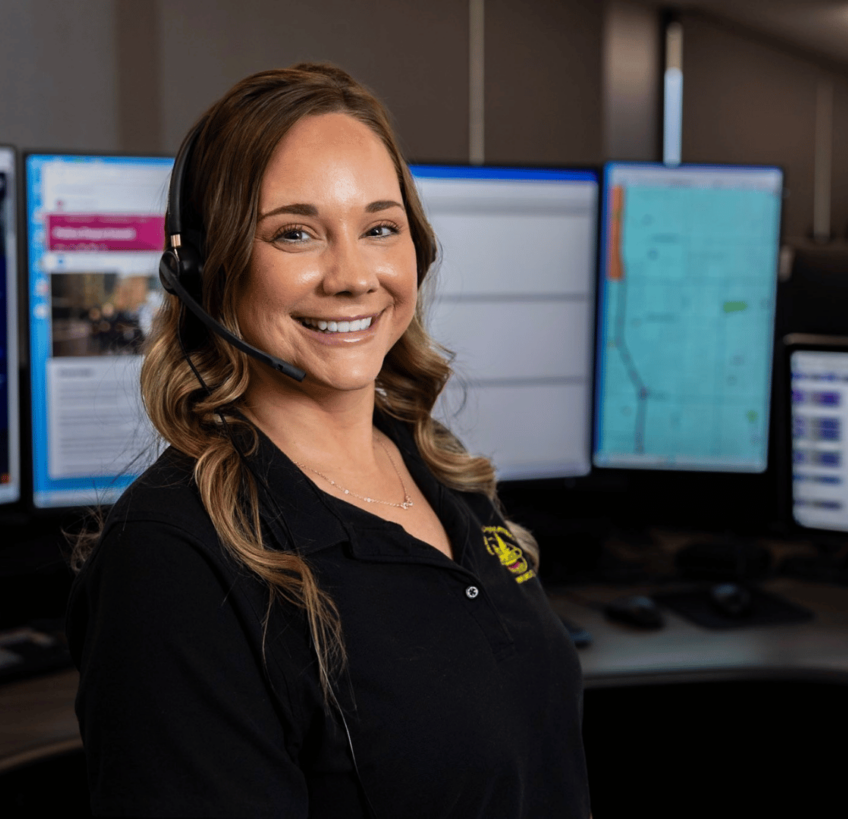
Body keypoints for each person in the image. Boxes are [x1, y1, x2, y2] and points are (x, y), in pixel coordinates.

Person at [66, 63, 590, 819]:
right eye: (295, 233)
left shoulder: (440, 469)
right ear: (205, 271)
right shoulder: (171, 562)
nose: (352, 276)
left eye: (380, 227)